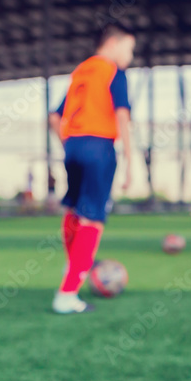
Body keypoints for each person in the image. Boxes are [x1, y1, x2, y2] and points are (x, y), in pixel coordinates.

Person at [48, 22, 135, 314]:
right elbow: (122, 116)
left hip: (73, 145)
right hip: (99, 147)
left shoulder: (81, 71)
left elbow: (54, 116)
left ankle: (72, 266)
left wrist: (68, 144)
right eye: (129, 49)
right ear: (113, 43)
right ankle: (67, 294)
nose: (130, 56)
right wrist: (131, 162)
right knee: (93, 219)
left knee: (74, 210)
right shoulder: (114, 71)